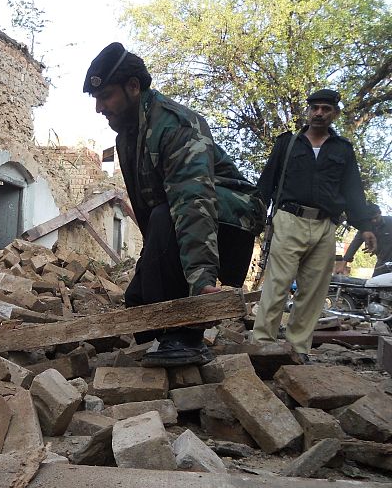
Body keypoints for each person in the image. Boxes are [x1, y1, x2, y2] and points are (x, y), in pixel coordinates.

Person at [84, 42, 266, 366]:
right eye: (96, 100)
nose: (99, 108)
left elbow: (192, 204)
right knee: (140, 305)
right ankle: (167, 332)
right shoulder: (128, 136)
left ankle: (187, 338)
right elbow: (147, 212)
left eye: (106, 96)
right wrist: (147, 276)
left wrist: (202, 285)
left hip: (228, 225)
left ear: (133, 87)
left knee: (167, 215)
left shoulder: (174, 125)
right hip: (178, 217)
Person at [252, 88, 376, 354]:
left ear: (335, 113)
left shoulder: (343, 149)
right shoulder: (287, 143)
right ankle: (262, 346)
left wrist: (364, 226)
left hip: (325, 225)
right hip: (289, 219)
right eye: (315, 108)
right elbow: (266, 183)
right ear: (308, 111)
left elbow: (353, 191)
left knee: (314, 291)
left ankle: (299, 350)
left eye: (326, 109)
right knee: (277, 284)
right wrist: (257, 219)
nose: (319, 113)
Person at [335, 203, 392, 277]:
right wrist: (343, 264)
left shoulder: (390, 222)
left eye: (376, 217)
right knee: (374, 284)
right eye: (371, 219)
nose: (374, 221)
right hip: (383, 262)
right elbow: (354, 244)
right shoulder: (366, 228)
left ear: (380, 213)